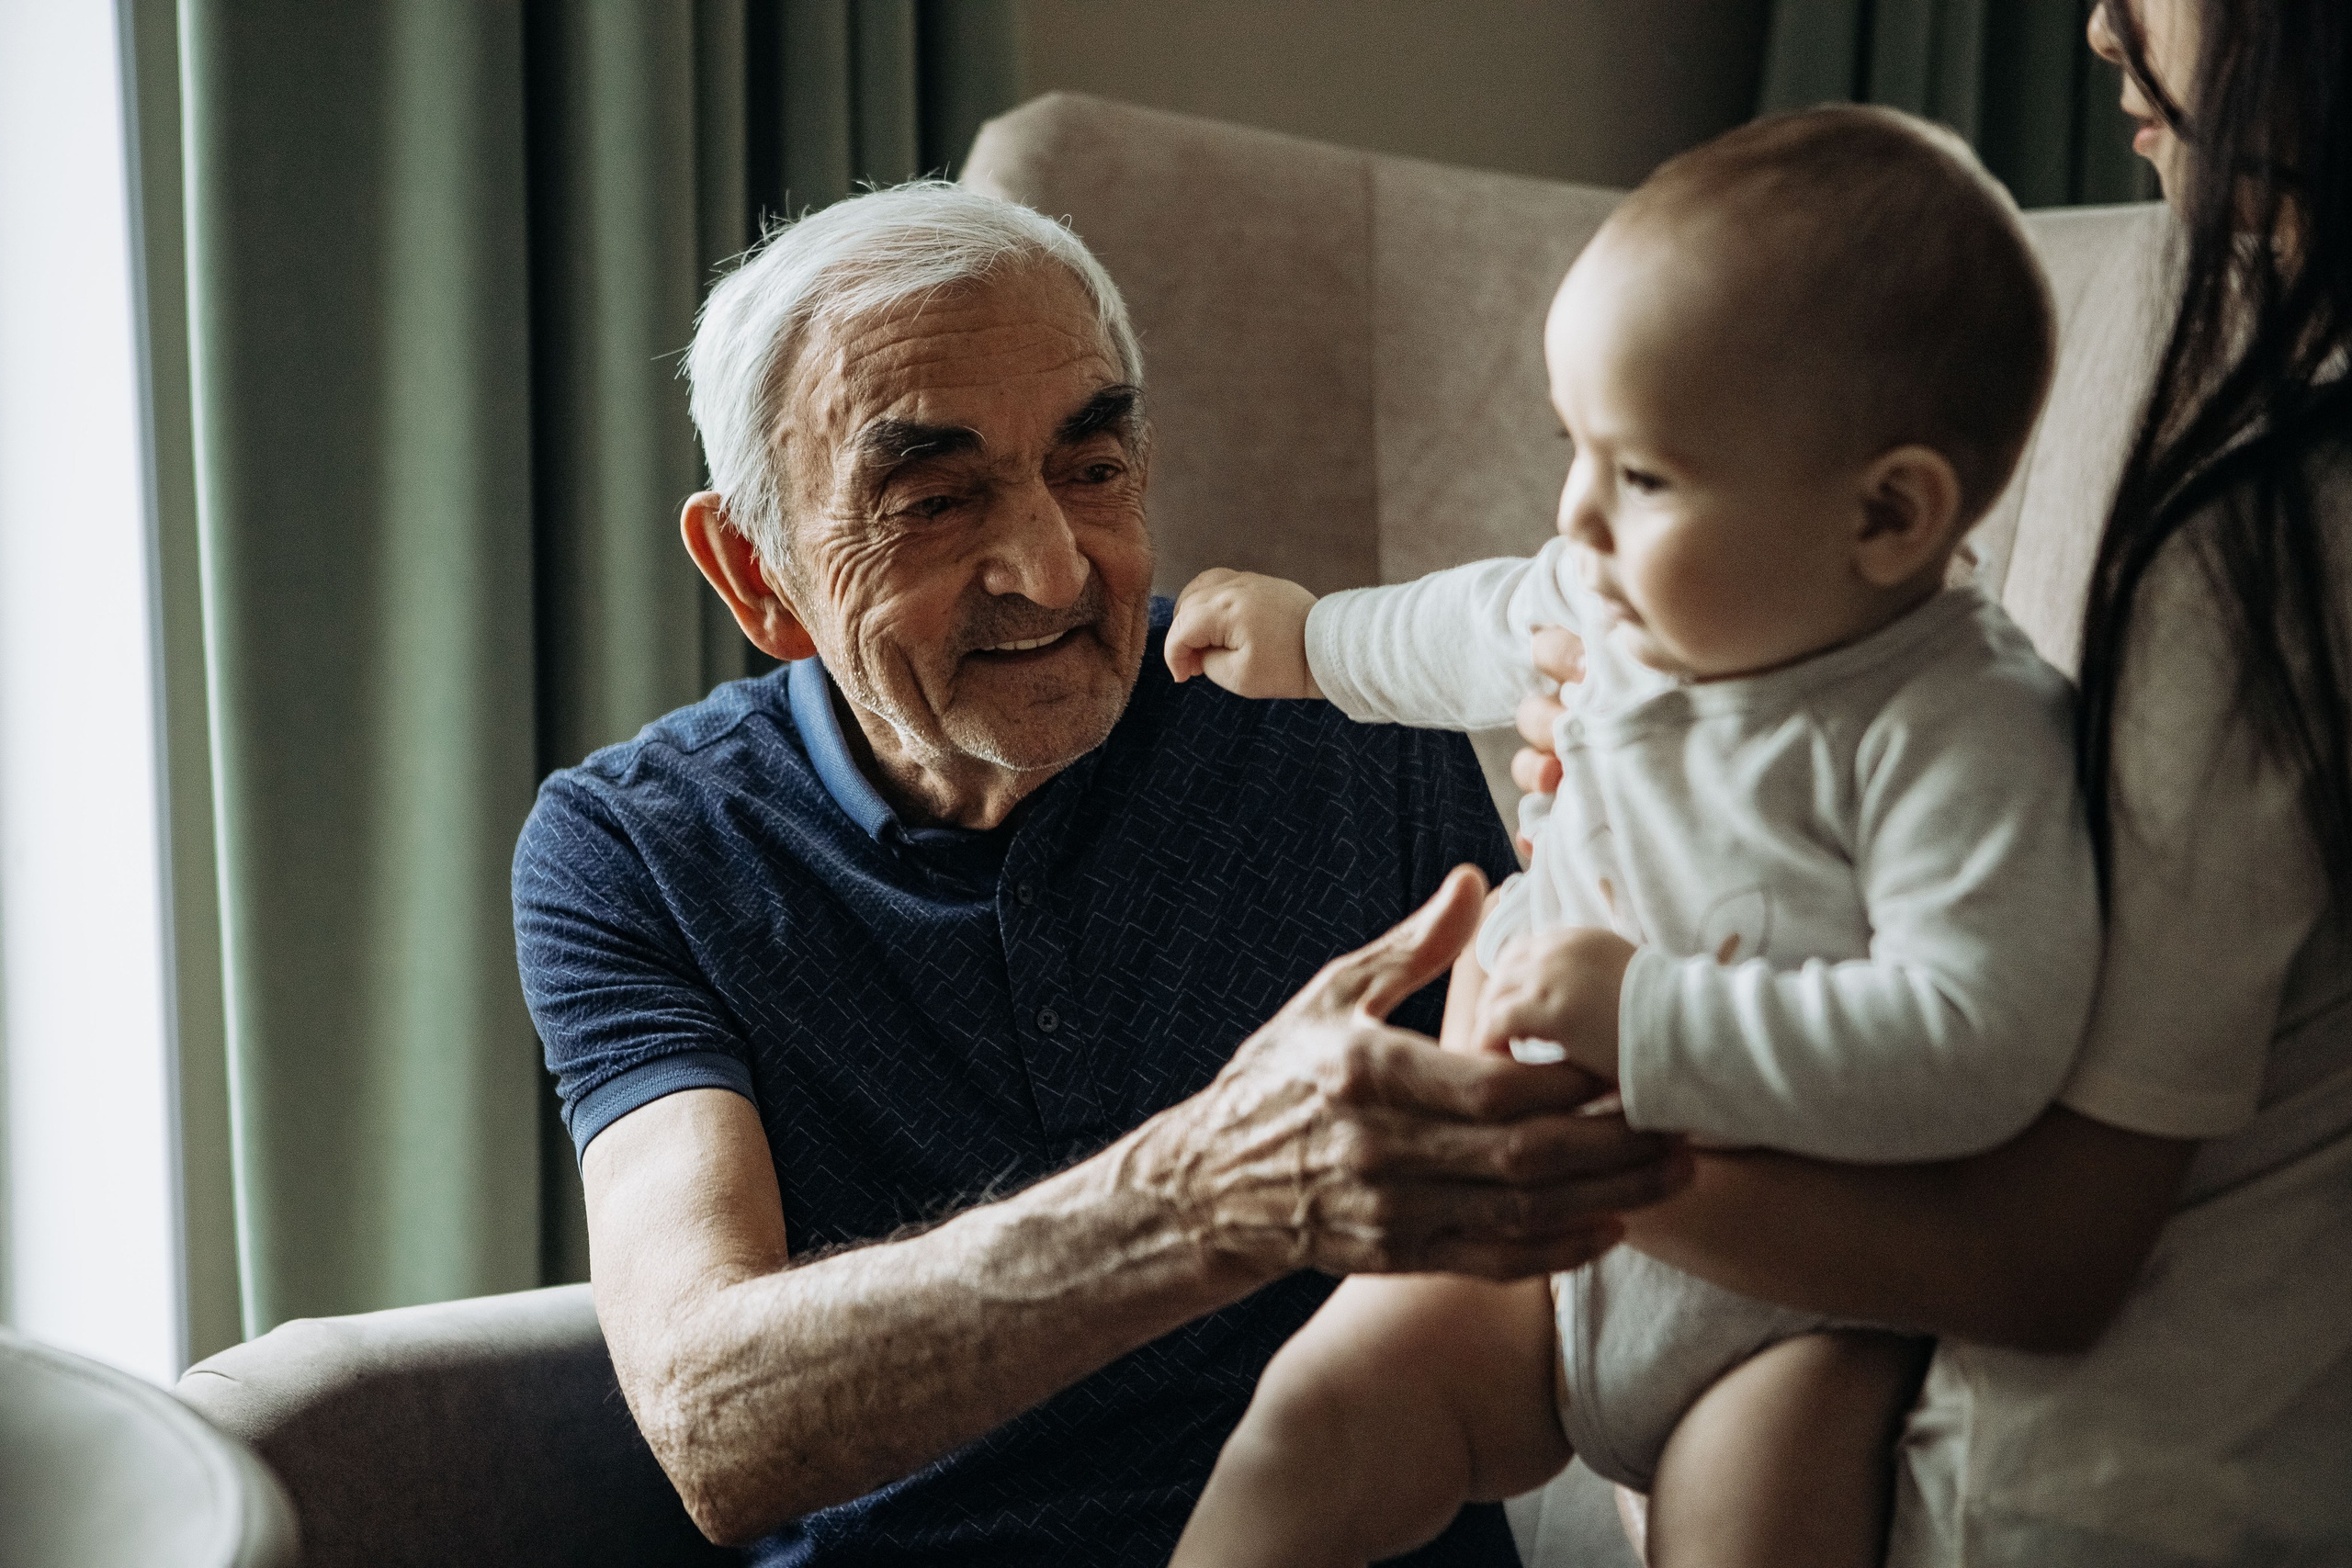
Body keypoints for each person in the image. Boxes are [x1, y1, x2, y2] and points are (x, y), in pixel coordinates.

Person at [509, 182, 1690, 1567]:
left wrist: (1649, 824)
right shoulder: (637, 848)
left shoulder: (1338, 728)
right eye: (936, 498)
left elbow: (1599, 1214)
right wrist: (1202, 1199)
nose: (1054, 568)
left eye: (1094, 465)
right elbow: (716, 1423)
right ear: (754, 571)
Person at [1162, 107, 2101, 1568]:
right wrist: (1311, 638)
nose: (1576, 517)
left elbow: (1977, 1035)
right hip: (1536, 1264)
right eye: (1575, 450)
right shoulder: (1606, 596)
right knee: (1306, 1428)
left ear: (1889, 513)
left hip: (1786, 1314)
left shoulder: (1951, 726)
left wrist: (1647, 1016)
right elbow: (1470, 616)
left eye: (1644, 476)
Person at [1498, 1, 2351, 1562]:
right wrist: (1308, 639)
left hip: (2085, 1494)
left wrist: (1505, 1140)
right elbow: (1488, 620)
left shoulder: (2269, 538)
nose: (2101, 22)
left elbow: (2042, 1255)